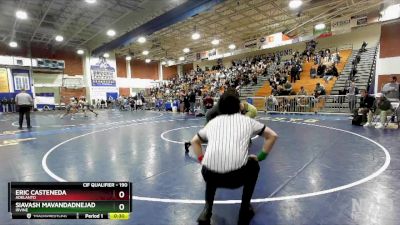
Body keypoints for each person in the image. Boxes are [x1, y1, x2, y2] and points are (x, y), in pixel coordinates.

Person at [190, 91, 278, 225]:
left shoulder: (212, 123)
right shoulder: (247, 121)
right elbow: (272, 136)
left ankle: (207, 210)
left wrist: (202, 160)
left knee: (210, 167)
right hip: (236, 178)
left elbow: (194, 141)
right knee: (254, 165)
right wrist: (260, 156)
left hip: (211, 176)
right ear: (239, 106)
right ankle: (244, 210)